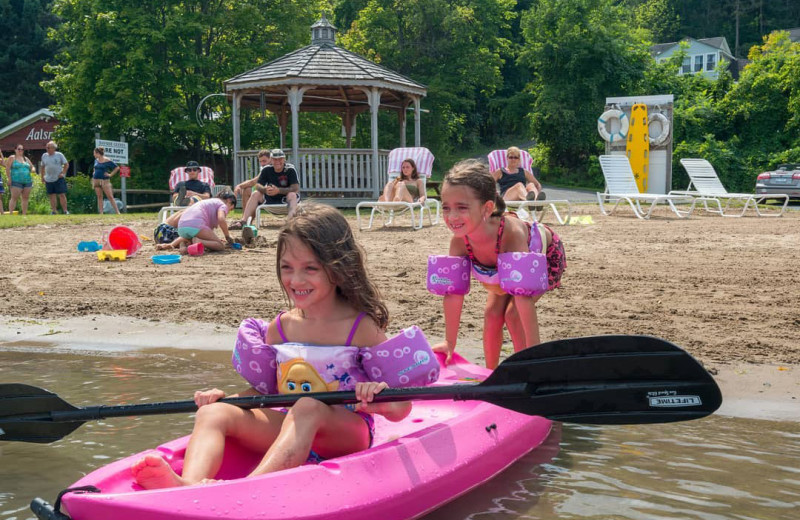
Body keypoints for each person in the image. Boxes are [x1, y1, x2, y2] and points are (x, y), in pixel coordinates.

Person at [132, 204, 416, 489]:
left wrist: (377, 399)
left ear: (338, 268)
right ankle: (187, 487)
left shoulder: (360, 327)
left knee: (308, 406)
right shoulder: (280, 328)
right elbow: (268, 392)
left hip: (347, 433)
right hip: (290, 422)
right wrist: (227, 399)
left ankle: (245, 488)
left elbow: (402, 407)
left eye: (310, 269)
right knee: (213, 413)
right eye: (287, 268)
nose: (296, 280)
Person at [432, 159, 566, 369]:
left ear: (487, 208)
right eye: (446, 208)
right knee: (492, 314)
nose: (452, 216)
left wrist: (535, 354)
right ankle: (491, 374)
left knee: (512, 314)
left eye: (461, 207)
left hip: (544, 257)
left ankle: (527, 367)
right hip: (500, 269)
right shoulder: (459, 241)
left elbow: (523, 296)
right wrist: (450, 343)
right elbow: (453, 293)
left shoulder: (510, 235)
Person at [230, 149, 299, 229]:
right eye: (275, 159)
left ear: (284, 159)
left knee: (293, 194)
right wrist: (265, 190)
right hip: (269, 197)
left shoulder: (290, 169)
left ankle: (290, 224)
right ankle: (243, 221)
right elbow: (258, 185)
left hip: (285, 198)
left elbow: (295, 188)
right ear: (271, 160)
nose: (277, 161)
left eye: (280, 159)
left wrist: (278, 190)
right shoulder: (266, 169)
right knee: (255, 193)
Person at [156, 192, 237, 254]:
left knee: (191, 235)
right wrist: (227, 236)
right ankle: (198, 241)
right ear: (229, 201)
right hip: (196, 224)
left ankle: (179, 245)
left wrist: (172, 244)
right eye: (230, 209)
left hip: (181, 227)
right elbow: (221, 219)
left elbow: (206, 232)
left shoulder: (208, 203)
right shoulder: (222, 205)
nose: (228, 212)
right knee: (220, 246)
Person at [40, 141, 70, 215]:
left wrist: (63, 173)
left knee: (62, 194)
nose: (47, 149)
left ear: (54, 148)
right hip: (48, 178)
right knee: (51, 195)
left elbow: (66, 164)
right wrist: (42, 177)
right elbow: (42, 167)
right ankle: (54, 211)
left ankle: (65, 211)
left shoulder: (59, 155)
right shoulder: (44, 155)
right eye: (46, 147)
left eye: (48, 147)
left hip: (58, 178)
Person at [4, 144, 35, 215]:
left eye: (22, 149)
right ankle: (11, 214)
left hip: (27, 181)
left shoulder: (26, 159)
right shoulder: (12, 158)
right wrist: (9, 178)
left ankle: (24, 214)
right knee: (14, 198)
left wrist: (33, 169)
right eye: (19, 149)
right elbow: (8, 168)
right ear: (15, 150)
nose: (20, 150)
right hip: (16, 181)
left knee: (25, 198)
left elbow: (32, 166)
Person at [92, 147, 120, 214]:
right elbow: (95, 168)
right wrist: (94, 172)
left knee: (110, 196)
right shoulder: (96, 160)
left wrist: (110, 175)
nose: (94, 155)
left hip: (105, 181)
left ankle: (117, 212)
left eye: (94, 153)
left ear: (98, 153)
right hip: (96, 180)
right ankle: (101, 212)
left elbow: (117, 168)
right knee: (99, 196)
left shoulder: (107, 160)